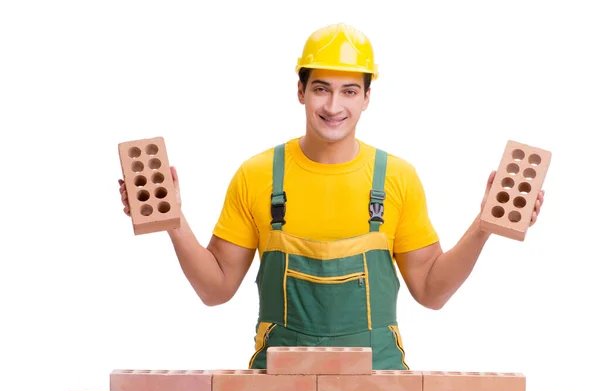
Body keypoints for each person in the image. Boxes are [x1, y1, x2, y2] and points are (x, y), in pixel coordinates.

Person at [118, 23, 544, 370]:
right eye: (321, 88)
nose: (334, 105)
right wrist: (172, 221)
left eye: (349, 91)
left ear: (367, 98)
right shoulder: (257, 175)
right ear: (300, 91)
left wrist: (483, 227)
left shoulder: (397, 178)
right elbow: (216, 289)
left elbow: (431, 292)